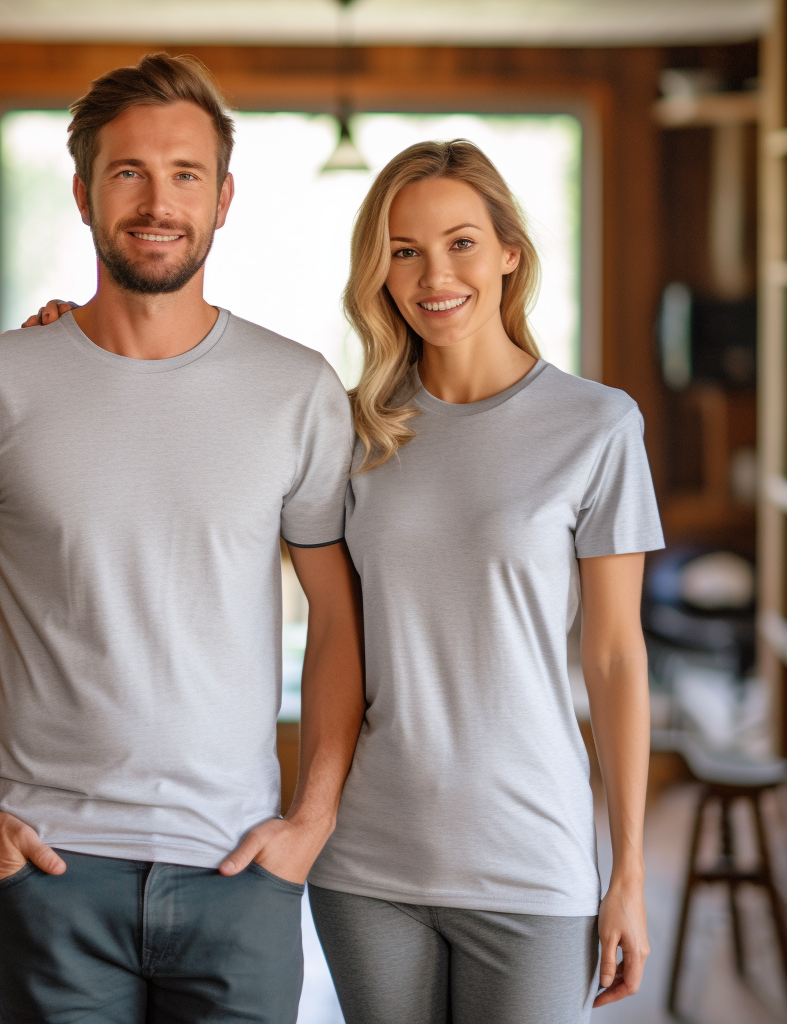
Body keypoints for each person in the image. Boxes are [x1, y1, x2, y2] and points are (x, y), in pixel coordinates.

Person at [0, 53, 364, 1024]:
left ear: (224, 198)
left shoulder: (299, 389)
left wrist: (310, 820)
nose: (158, 201)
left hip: (240, 867)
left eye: (186, 174)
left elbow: (339, 616)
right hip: (46, 868)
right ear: (82, 193)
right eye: (128, 173)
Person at [300, 140, 662, 1024]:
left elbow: (615, 658)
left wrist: (628, 875)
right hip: (368, 865)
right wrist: (63, 341)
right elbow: (332, 634)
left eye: (461, 242)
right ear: (378, 271)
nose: (434, 275)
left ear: (510, 252)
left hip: (533, 863)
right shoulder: (350, 431)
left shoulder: (597, 426)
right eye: (405, 249)